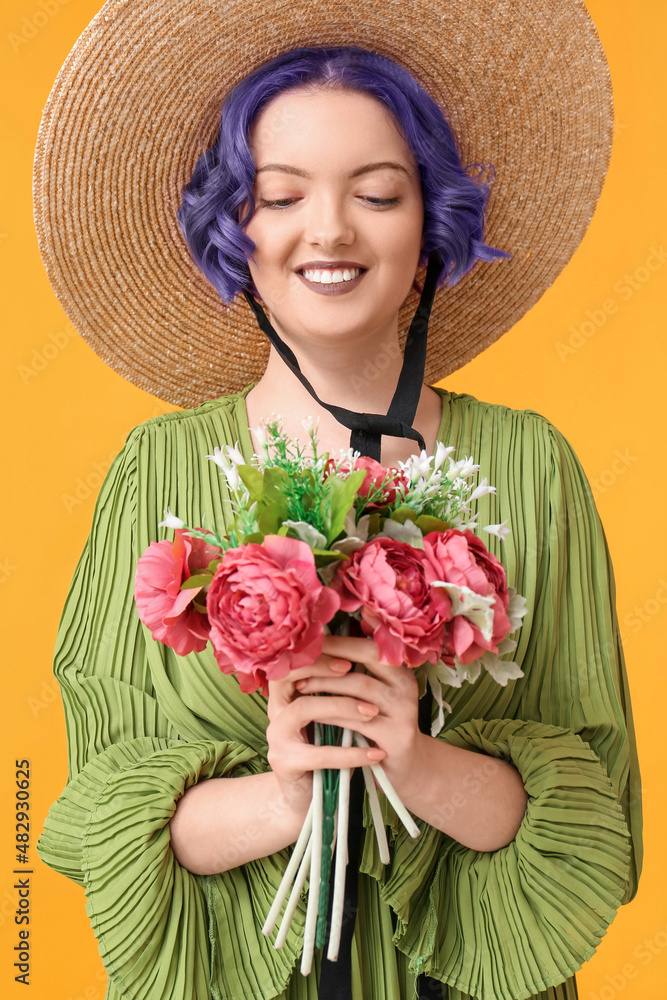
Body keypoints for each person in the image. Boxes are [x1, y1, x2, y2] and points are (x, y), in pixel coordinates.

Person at [34, 4, 642, 1000]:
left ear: (430, 223)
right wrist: (282, 796)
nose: (329, 229)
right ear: (238, 227)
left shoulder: (532, 464)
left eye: (377, 192)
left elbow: (596, 822)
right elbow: (96, 813)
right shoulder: (154, 471)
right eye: (281, 195)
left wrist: (417, 762)